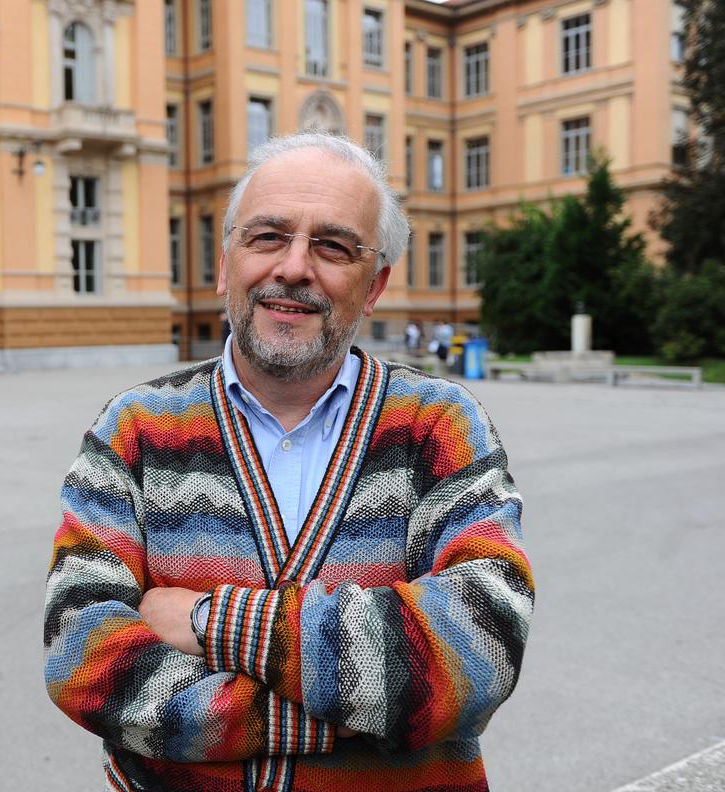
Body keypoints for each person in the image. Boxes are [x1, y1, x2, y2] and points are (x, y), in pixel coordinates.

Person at [44, 133, 532, 792]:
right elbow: (84, 662)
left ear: (375, 283)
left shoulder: (437, 426)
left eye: (333, 246)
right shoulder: (133, 430)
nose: (295, 267)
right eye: (267, 236)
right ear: (224, 266)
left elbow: (480, 650)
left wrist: (209, 621)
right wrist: (356, 710)